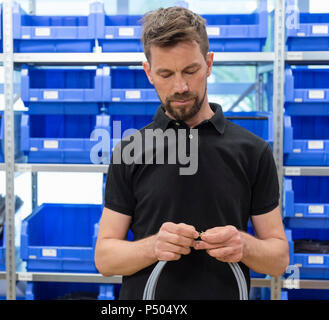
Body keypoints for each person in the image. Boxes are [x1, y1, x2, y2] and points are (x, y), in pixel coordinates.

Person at [94, 5, 289, 300]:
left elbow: (278, 260)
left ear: (209, 64)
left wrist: (245, 246)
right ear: (148, 72)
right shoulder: (130, 150)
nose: (180, 86)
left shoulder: (252, 151)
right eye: (165, 74)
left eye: (190, 70)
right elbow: (105, 259)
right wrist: (153, 246)